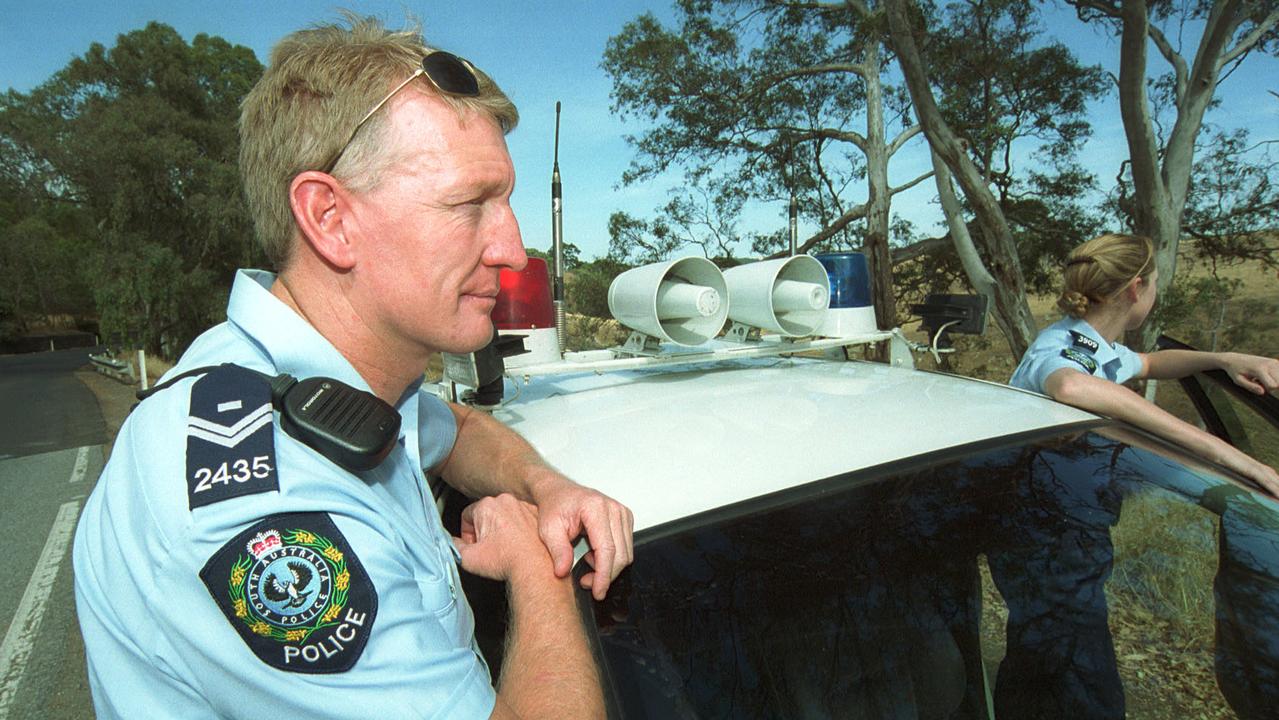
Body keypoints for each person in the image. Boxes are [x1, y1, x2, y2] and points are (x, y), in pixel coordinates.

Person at [73, 16, 632, 719]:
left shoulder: (316, 384)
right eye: (468, 205)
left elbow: (450, 428)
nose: (512, 250)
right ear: (329, 217)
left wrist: (541, 484)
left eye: (506, 201)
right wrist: (539, 572)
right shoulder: (264, 507)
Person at [1010, 232, 1279, 497]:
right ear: (1136, 289)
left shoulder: (1100, 348)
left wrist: (1225, 360)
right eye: (1155, 284)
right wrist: (1222, 452)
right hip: (1037, 495)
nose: (1156, 293)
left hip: (1064, 489)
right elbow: (1070, 385)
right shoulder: (1061, 344)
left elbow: (1150, 363)